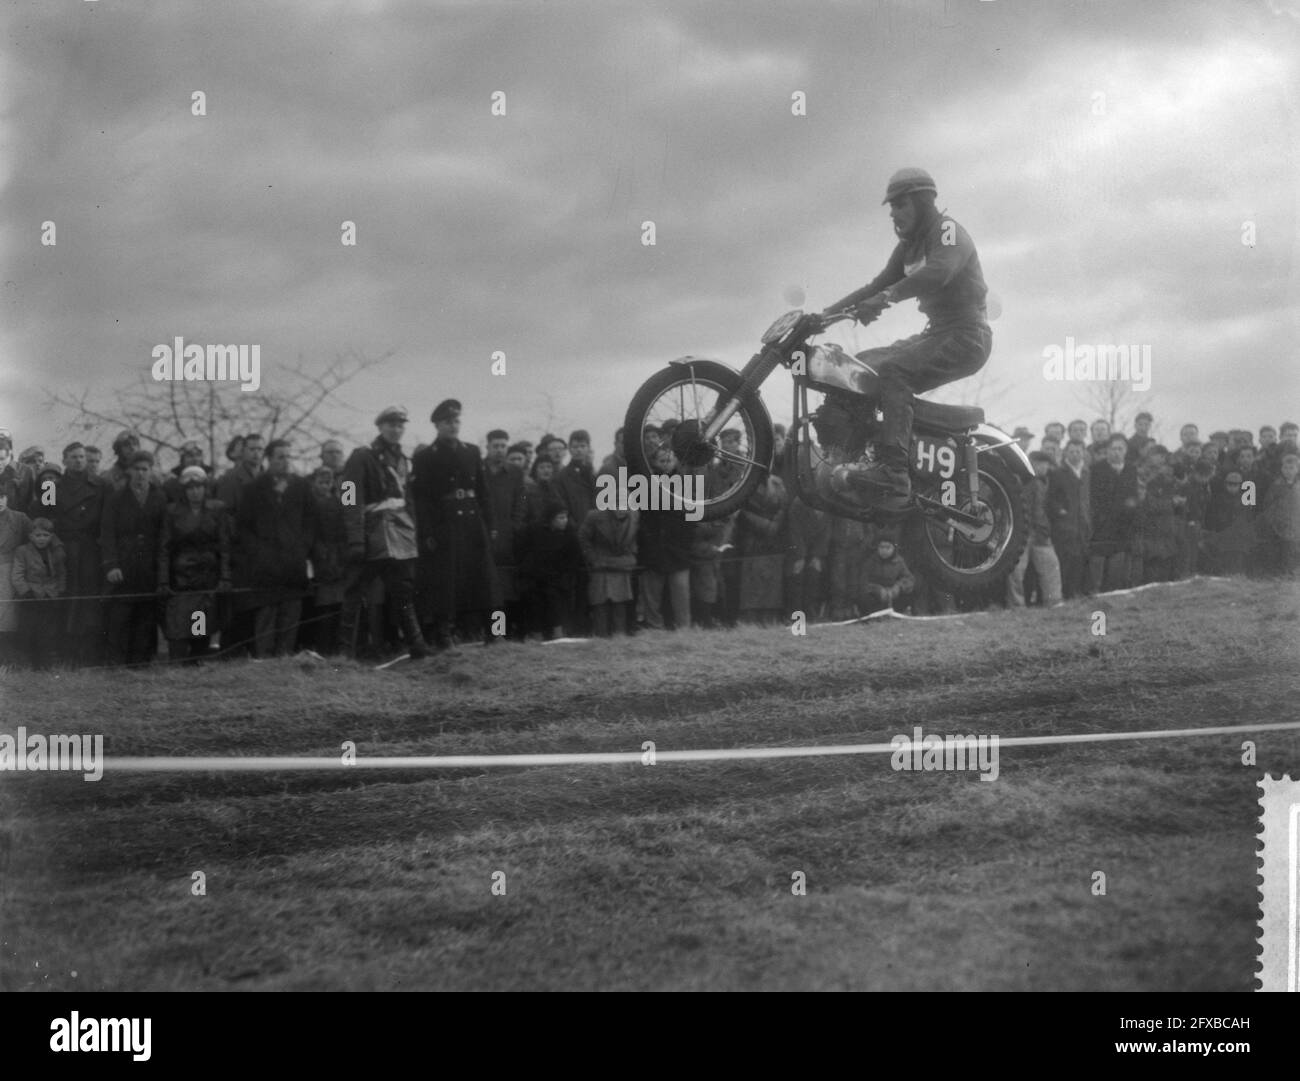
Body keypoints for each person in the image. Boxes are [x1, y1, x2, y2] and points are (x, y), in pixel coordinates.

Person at [821, 167, 991, 501]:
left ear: (923, 201)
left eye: (900, 204)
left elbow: (939, 273)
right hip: (938, 333)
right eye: (891, 208)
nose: (894, 214)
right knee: (860, 365)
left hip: (968, 335)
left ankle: (894, 471)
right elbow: (876, 285)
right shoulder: (908, 248)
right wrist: (823, 316)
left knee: (894, 370)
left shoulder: (947, 232)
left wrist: (885, 299)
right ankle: (855, 455)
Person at [338, 407, 429, 660]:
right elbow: (349, 497)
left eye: (400, 425)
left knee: (403, 591)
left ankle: (417, 646)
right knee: (355, 592)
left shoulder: (403, 459)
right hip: (371, 534)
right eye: (391, 425)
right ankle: (344, 653)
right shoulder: (361, 457)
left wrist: (414, 531)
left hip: (399, 533)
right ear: (380, 427)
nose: (396, 429)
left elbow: (408, 501)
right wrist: (355, 538)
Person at [412, 400, 498, 649]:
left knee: (484, 578)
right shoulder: (426, 457)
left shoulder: (471, 451)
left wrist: (490, 524)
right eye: (447, 422)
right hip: (445, 523)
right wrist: (427, 531)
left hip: (473, 520)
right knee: (446, 581)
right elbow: (423, 500)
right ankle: (445, 634)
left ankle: (494, 631)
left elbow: (483, 491)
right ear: (437, 425)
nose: (453, 425)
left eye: (456, 421)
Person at [237, 439, 318, 658]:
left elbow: (311, 520)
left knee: (290, 614)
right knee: (267, 615)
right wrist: (258, 552)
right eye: (280, 457)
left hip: (293, 563)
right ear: (269, 459)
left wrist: (303, 547)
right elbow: (243, 527)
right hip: (266, 566)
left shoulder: (301, 486)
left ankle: (284, 661)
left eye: (288, 457)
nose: (285, 461)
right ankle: (265, 660)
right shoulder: (254, 488)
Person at [100, 449, 168, 666]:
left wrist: (162, 569)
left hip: (150, 565)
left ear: (151, 471)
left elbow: (165, 534)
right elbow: (107, 533)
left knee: (146, 616)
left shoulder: (160, 497)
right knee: (121, 616)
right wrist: (111, 565)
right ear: (129, 471)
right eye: (137, 469)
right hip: (124, 565)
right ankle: (117, 662)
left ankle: (141, 663)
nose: (140, 474)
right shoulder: (117, 498)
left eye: (145, 469)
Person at [158, 466, 230, 663]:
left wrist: (225, 576)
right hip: (180, 579)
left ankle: (196, 661)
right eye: (190, 488)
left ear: (205, 488)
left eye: (198, 487)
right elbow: (164, 548)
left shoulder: (216, 510)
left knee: (199, 626)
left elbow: (224, 546)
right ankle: (178, 664)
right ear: (184, 490)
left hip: (206, 578)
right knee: (178, 628)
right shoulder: (173, 512)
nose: (194, 492)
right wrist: (163, 581)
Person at [49, 447, 107, 665]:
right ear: (64, 460)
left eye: (82, 457)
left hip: (91, 550)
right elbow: (46, 517)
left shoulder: (100, 485)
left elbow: (106, 519)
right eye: (73, 457)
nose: (79, 461)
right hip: (64, 549)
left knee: (89, 600)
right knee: (66, 599)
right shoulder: (52, 487)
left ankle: (88, 653)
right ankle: (66, 652)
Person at [517, 501, 583, 639]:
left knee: (555, 599)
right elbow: (522, 550)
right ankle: (536, 636)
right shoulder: (533, 530)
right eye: (560, 517)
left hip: (557, 578)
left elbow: (573, 557)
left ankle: (558, 634)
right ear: (551, 518)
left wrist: (563, 575)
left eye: (566, 517)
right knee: (534, 601)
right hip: (534, 577)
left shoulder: (569, 534)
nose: (564, 520)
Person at [1007, 451, 1063, 607]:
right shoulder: (1032, 482)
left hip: (1030, 532)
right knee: (1022, 570)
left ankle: (1019, 604)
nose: (1046, 467)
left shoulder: (1040, 481)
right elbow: (1036, 511)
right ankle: (1051, 601)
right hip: (1031, 532)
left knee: (1024, 570)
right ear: (1034, 464)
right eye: (1043, 464)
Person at [484, 429, 526, 637]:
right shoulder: (478, 471)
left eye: (503, 446)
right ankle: (489, 633)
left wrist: (515, 526)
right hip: (482, 539)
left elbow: (521, 502)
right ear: (488, 447)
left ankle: (503, 632)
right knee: (487, 589)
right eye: (495, 446)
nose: (499, 450)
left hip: (507, 539)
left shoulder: (515, 473)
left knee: (504, 589)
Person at [11, 517, 65, 669]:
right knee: (28, 631)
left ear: (51, 537)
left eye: (46, 535)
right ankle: (28, 663)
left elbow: (61, 573)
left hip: (49, 596)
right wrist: (26, 592)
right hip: (31, 598)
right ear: (31, 536)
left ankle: (44, 663)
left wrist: (59, 590)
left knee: (47, 632)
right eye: (38, 535)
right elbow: (17, 575)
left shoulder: (55, 552)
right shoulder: (22, 551)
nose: (42, 539)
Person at [1087, 434, 1137, 592]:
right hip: (1101, 527)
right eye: (1113, 449)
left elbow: (1133, 497)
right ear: (1107, 450)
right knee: (1096, 569)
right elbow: (1092, 498)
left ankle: (1111, 598)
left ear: (1126, 451)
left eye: (1120, 449)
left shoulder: (1131, 470)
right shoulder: (1096, 470)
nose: (1117, 452)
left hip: (1122, 528)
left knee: (1116, 571)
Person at [579, 503, 638, 636]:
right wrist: (593, 558)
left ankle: (619, 638)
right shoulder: (594, 516)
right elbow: (583, 538)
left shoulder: (634, 516)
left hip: (621, 565)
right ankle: (601, 637)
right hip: (601, 566)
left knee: (620, 604)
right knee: (600, 604)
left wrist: (631, 555)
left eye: (626, 507)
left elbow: (634, 540)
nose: (623, 510)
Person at [0, 478, 32, 663]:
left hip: (10, 572)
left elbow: (37, 539)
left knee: (7, 617)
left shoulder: (20, 518)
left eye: (2, 496)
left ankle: (7, 657)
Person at [858, 535, 915, 614]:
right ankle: (872, 615)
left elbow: (909, 579)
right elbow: (863, 582)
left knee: (909, 593)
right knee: (864, 598)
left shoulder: (899, 561)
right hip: (876, 596)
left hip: (893, 595)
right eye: (881, 547)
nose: (884, 550)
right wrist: (877, 589)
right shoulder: (871, 562)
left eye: (888, 547)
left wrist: (898, 587)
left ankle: (902, 611)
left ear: (894, 548)